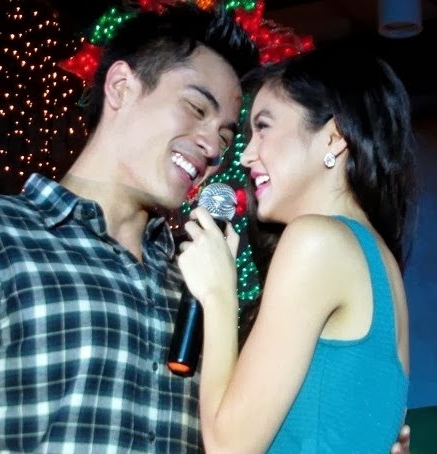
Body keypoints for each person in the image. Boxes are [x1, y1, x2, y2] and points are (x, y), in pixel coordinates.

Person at [0, 4, 258, 452]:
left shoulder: (197, 283)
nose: (211, 147)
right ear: (121, 87)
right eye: (195, 108)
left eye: (225, 139)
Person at [177, 42, 416, 453]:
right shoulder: (380, 264)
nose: (247, 155)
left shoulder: (317, 242)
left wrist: (219, 294)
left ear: (334, 138)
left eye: (263, 128)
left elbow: (229, 447)